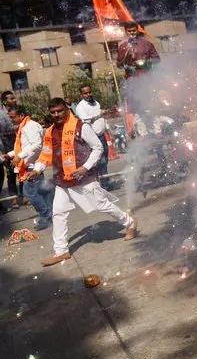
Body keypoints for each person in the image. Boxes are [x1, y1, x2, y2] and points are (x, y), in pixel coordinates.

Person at [26, 98, 138, 267]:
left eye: (59, 111)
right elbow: (46, 154)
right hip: (62, 180)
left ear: (66, 110)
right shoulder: (50, 131)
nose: (56, 114)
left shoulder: (81, 127)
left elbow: (98, 148)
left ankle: (130, 223)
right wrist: (37, 169)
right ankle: (61, 251)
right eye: (53, 112)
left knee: (102, 205)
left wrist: (85, 168)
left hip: (83, 178)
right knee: (58, 213)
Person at [2, 105, 53, 230]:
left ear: (21, 115)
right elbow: (23, 147)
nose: (11, 120)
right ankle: (49, 215)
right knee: (40, 192)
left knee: (29, 193)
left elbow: (37, 145)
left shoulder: (31, 126)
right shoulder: (22, 127)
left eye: (13, 117)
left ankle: (47, 215)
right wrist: (9, 155)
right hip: (28, 165)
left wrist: (19, 156)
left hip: (33, 166)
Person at [74, 85, 110, 188]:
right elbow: (85, 120)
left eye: (89, 92)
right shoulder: (80, 107)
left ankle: (106, 181)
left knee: (105, 160)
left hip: (101, 135)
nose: (88, 94)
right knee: (99, 161)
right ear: (81, 95)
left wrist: (106, 127)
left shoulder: (96, 103)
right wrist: (99, 114)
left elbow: (101, 118)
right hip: (93, 138)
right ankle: (101, 184)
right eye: (85, 93)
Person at [0, 91, 24, 210]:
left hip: (20, 144)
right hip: (7, 146)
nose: (14, 100)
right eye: (11, 98)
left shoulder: (19, 110)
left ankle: (24, 195)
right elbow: (4, 130)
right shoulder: (1, 114)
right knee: (11, 174)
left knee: (22, 170)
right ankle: (13, 198)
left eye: (14, 98)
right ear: (5, 101)